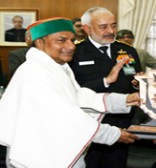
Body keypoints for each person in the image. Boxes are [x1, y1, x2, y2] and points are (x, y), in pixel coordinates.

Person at [0, 17, 141, 168]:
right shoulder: (36, 72)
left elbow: (77, 97)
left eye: (72, 40)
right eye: (61, 40)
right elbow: (66, 117)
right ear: (40, 43)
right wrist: (113, 135)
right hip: (42, 155)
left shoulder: (56, 67)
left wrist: (125, 100)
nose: (71, 46)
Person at [68, 7, 142, 168]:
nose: (111, 31)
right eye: (103, 27)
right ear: (87, 28)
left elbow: (133, 84)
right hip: (90, 124)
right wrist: (105, 81)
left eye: (113, 25)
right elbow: (72, 90)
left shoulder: (127, 50)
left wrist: (142, 86)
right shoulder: (74, 52)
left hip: (121, 123)